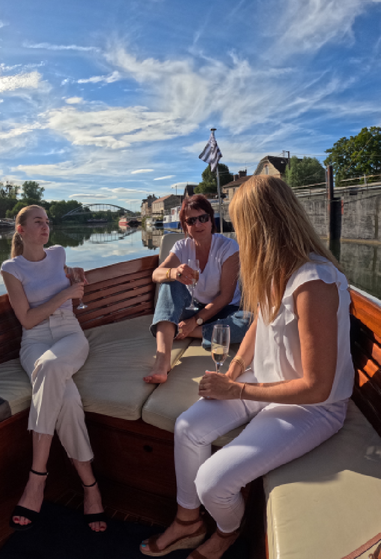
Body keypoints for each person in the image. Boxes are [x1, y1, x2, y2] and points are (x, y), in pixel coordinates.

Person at [140, 176, 355, 559]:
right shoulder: (277, 268)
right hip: (265, 380)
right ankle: (188, 522)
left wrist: (236, 390)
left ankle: (228, 530)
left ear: (261, 223)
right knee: (188, 426)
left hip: (311, 406)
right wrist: (235, 368)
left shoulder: (313, 279)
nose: (236, 232)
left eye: (240, 222)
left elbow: (318, 386)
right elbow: (259, 323)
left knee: (212, 482)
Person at [1, 205, 106, 532]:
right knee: (68, 400)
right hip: (34, 341)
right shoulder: (10, 268)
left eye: (47, 222)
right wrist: (66, 292)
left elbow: (63, 272)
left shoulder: (59, 253)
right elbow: (28, 319)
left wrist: (72, 274)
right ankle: (91, 488)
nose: (46, 227)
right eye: (38, 222)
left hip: (69, 334)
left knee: (50, 369)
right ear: (21, 230)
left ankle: (37, 478)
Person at [144, 194, 250, 384]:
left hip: (224, 310)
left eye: (203, 218)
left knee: (248, 322)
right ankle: (162, 361)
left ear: (211, 220)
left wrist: (195, 321)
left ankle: (177, 329)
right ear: (185, 227)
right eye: (191, 221)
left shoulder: (228, 247)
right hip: (194, 306)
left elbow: (226, 296)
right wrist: (174, 272)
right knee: (170, 282)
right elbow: (156, 275)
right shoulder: (182, 246)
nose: (199, 224)